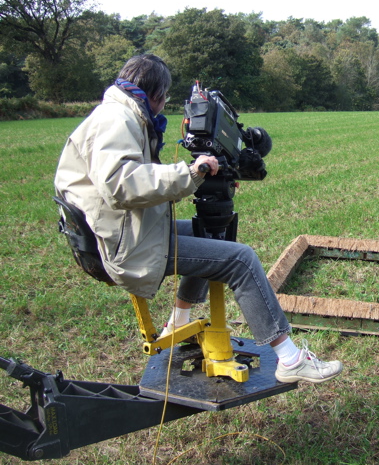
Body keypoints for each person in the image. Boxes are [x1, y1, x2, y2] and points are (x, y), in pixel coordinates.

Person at [54, 54, 342, 384]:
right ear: (157, 95)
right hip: (119, 246)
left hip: (119, 232)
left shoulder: (120, 113)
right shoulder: (117, 119)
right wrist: (193, 171)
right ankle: (290, 359)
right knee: (241, 260)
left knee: (210, 236)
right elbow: (121, 184)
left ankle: (179, 321)